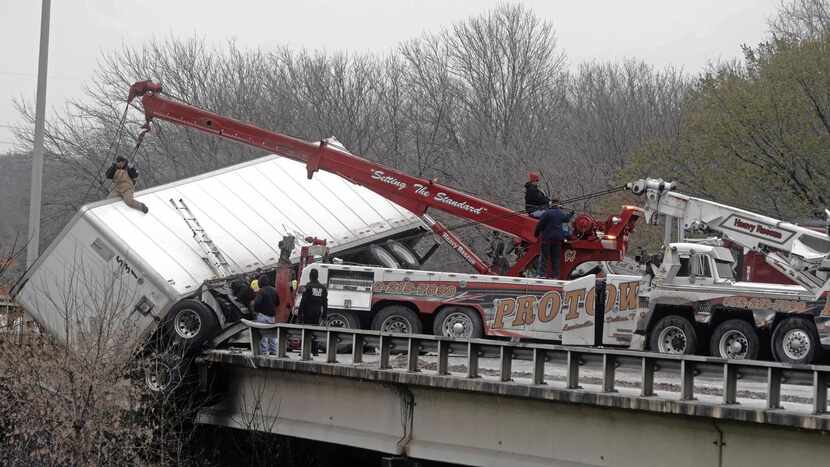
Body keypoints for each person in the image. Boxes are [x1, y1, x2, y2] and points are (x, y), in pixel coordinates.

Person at [534, 198, 574, 279]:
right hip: (558, 239)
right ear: (558, 204)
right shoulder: (560, 213)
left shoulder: (547, 213)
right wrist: (571, 213)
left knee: (544, 257)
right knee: (555, 258)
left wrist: (536, 233)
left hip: (547, 238)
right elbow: (566, 219)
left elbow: (540, 225)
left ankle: (542, 274)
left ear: (551, 204)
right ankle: (555, 275)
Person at [298, 269, 328, 356]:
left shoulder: (308, 286)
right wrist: (324, 315)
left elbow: (303, 301)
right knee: (315, 331)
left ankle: (304, 350)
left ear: (310, 276)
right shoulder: (322, 288)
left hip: (308, 312)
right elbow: (325, 302)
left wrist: (300, 314)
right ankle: (315, 351)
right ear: (317, 276)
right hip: (317, 313)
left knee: (306, 331)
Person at [253, 274, 279, 354]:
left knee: (263, 335)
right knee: (272, 334)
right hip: (272, 316)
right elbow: (278, 303)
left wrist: (257, 311)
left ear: (260, 283)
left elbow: (257, 303)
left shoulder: (261, 291)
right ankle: (274, 351)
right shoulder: (274, 290)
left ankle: (264, 352)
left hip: (263, 315)